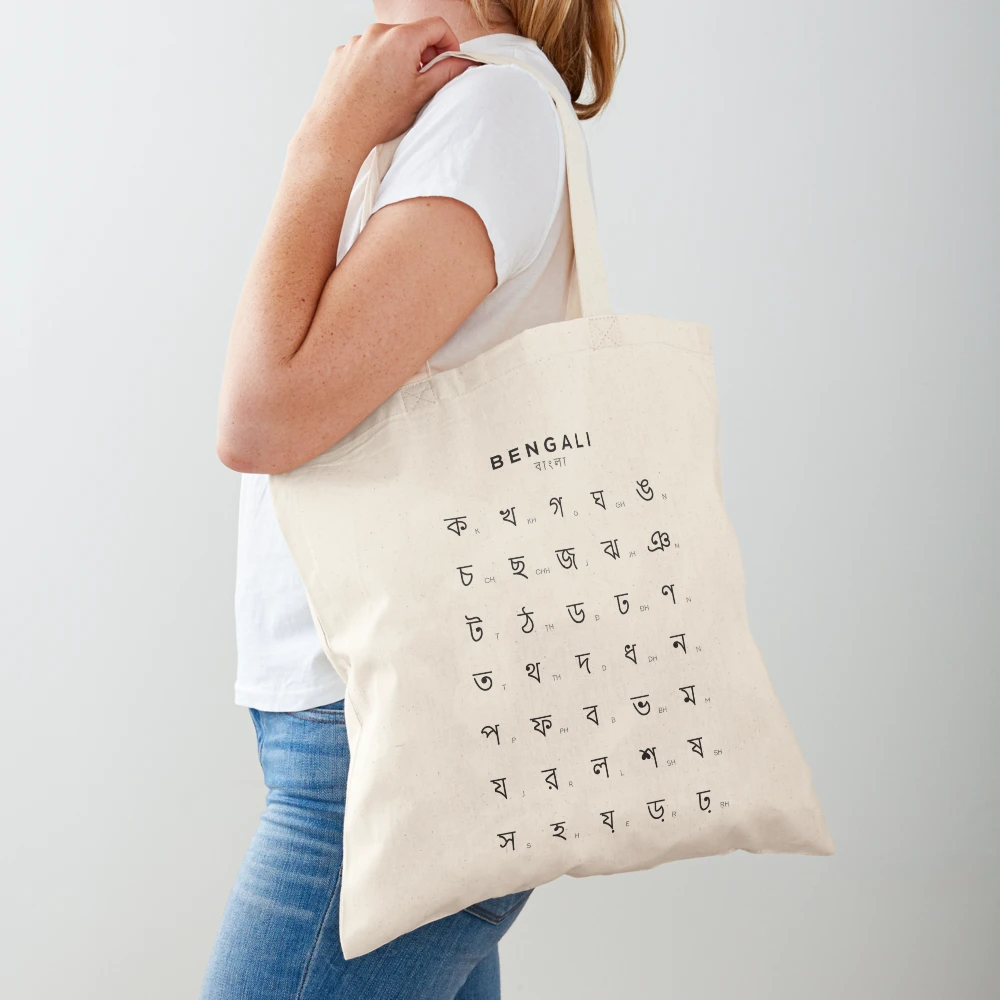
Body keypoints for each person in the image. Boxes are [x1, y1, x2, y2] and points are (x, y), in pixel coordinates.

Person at [205, 1, 623, 996]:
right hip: (371, 735)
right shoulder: (445, 106)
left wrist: (324, 139)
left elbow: (260, 417)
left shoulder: (489, 111)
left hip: (388, 759)